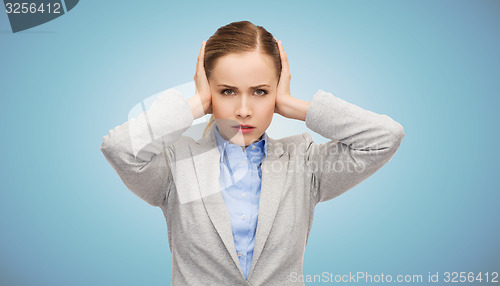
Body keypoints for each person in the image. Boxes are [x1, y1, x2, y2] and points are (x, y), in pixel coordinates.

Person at [100, 20, 405, 286]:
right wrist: (193, 104)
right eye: (227, 91)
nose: (243, 111)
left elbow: (384, 138)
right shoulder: (175, 164)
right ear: (209, 90)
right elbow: (120, 148)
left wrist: (294, 106)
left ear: (276, 90)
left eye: (260, 92)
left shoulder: (305, 162)